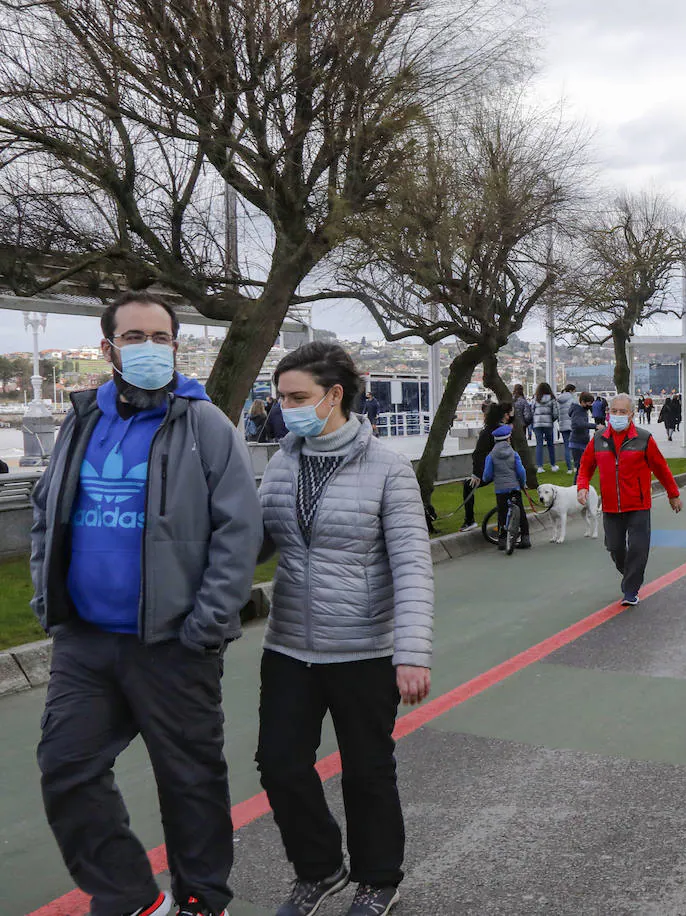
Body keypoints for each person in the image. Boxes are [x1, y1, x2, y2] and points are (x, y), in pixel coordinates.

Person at [30, 291, 261, 916]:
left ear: (176, 346)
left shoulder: (207, 425)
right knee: (67, 767)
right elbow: (46, 514)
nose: (149, 348)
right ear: (108, 349)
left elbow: (239, 532)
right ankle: (132, 898)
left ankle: (201, 902)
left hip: (174, 643)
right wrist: (44, 595)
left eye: (161, 337)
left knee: (189, 783)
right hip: (85, 642)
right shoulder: (80, 420)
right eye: (134, 337)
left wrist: (207, 623)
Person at [255, 342, 432, 916]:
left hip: (365, 649)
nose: (286, 408)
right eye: (281, 398)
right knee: (279, 764)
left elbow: (411, 564)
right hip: (289, 646)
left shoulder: (388, 467)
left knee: (367, 772)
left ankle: (378, 879)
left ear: (335, 396)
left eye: (298, 397)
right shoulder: (282, 462)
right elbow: (256, 543)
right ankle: (320, 868)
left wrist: (412, 652)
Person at [576, 393, 682, 606]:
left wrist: (673, 494)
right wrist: (582, 487)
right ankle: (630, 574)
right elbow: (585, 466)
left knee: (638, 548)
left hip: (638, 505)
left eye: (622, 412)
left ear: (631, 415)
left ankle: (631, 590)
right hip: (611, 506)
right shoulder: (599, 439)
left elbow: (661, 468)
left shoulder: (643, 439)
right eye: (614, 411)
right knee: (614, 547)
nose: (617, 415)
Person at [481, 424, 528, 553]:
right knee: (521, 512)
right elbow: (521, 471)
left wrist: (489, 479)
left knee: (502, 514)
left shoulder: (491, 456)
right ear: (508, 439)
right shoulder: (514, 454)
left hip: (500, 490)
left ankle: (502, 540)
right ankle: (525, 538)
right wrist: (523, 483)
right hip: (514, 487)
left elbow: (487, 475)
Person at [461, 402, 506, 533]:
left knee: (468, 485)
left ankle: (469, 520)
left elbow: (478, 454)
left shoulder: (486, 433)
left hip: (491, 471)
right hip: (505, 470)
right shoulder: (504, 431)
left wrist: (476, 474)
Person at [530, 381, 561, 473]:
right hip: (548, 424)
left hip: (537, 424)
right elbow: (556, 413)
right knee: (550, 444)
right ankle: (553, 465)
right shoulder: (552, 399)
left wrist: (535, 420)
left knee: (539, 444)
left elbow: (532, 411)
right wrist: (551, 420)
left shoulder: (535, 398)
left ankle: (539, 466)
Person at [568, 391, 595, 474]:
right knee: (580, 468)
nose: (590, 405)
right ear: (582, 402)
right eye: (589, 403)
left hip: (580, 442)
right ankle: (577, 486)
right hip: (577, 443)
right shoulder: (578, 411)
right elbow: (578, 424)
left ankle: (578, 485)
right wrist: (595, 426)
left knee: (582, 468)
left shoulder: (582, 410)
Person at [557, 384, 577, 469]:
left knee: (566, 446)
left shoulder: (559, 399)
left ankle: (569, 468)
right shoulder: (573, 400)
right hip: (572, 424)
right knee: (575, 445)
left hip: (563, 425)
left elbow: (557, 413)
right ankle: (576, 465)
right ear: (572, 391)